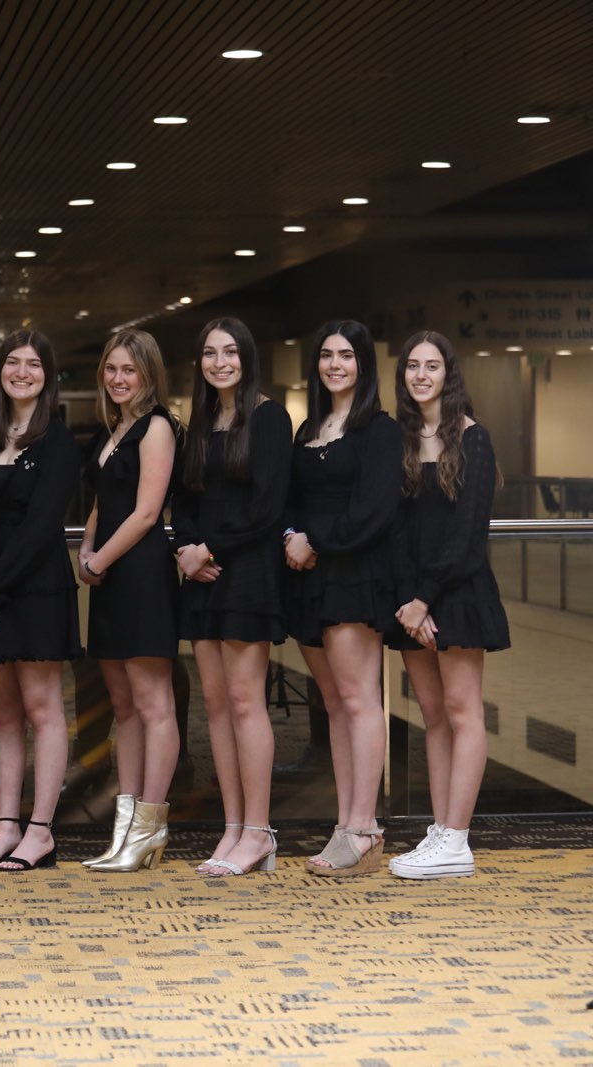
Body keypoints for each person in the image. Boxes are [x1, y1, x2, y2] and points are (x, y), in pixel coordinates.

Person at [386, 330, 510, 879]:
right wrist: (409, 601)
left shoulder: (473, 437)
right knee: (432, 715)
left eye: (431, 366)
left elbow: (466, 535)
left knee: (462, 713)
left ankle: (458, 838)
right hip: (415, 602)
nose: (420, 375)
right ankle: (439, 831)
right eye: (412, 366)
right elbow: (397, 529)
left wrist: (423, 599)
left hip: (454, 594)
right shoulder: (402, 439)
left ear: (448, 373)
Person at [172, 318, 291, 876]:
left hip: (246, 574)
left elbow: (267, 509)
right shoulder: (198, 420)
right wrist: (186, 550)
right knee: (216, 707)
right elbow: (187, 500)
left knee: (246, 704)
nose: (220, 362)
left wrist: (207, 549)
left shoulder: (268, 417)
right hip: (203, 577)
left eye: (230, 352)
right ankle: (233, 827)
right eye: (210, 353)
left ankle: (260, 830)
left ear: (247, 357)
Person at [284, 319, 402, 877]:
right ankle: (347, 822)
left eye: (347, 356)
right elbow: (288, 498)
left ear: (364, 365)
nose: (335, 364)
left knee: (358, 700)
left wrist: (316, 542)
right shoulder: (309, 427)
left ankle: (363, 825)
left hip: (355, 573)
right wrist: (290, 539)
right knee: (334, 704)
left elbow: (376, 510)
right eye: (327, 355)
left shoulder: (379, 429)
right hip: (307, 577)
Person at [0, 329, 82, 872]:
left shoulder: (56, 440)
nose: (22, 372)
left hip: (33, 589)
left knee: (42, 710)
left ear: (47, 374)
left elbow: (40, 528)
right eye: (12, 363)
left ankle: (41, 830)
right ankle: (5, 827)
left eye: (33, 364)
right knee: (4, 715)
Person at [77, 328, 180, 873]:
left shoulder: (157, 427)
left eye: (129, 370)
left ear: (148, 374)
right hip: (112, 574)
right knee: (123, 709)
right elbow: (103, 502)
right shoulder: (113, 429)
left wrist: (100, 560)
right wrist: (88, 549)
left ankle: (150, 829)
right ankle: (125, 835)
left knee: (153, 703)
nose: (119, 379)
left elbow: (145, 512)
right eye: (112, 369)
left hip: (140, 573)